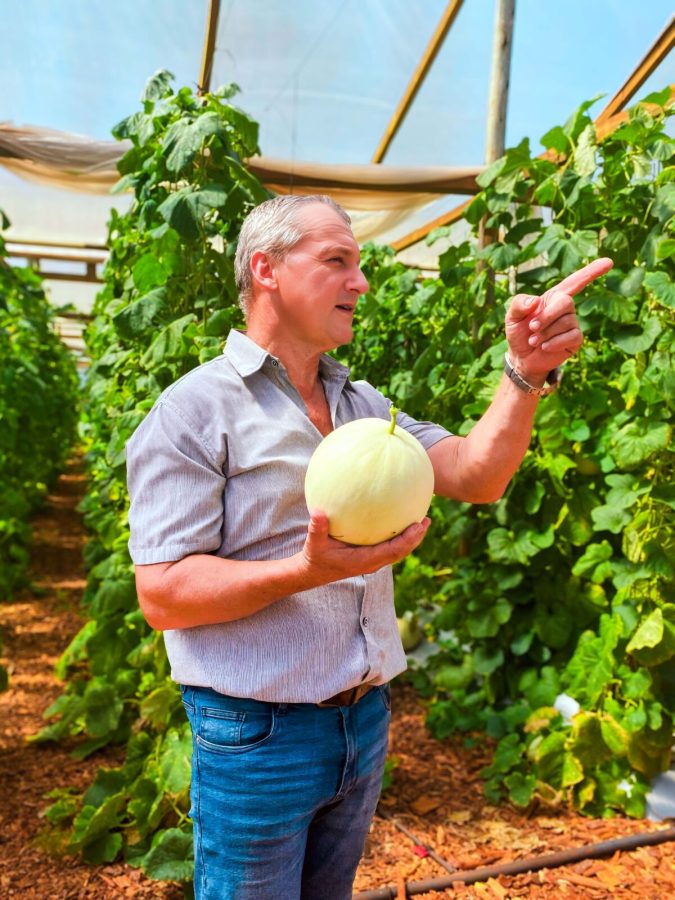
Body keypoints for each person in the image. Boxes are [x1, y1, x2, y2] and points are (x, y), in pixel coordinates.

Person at [126, 194, 612, 899]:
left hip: (362, 721)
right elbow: (163, 594)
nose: (360, 282)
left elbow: (474, 474)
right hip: (255, 733)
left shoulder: (361, 405)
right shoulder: (195, 411)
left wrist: (524, 371)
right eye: (337, 261)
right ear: (266, 269)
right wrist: (305, 570)